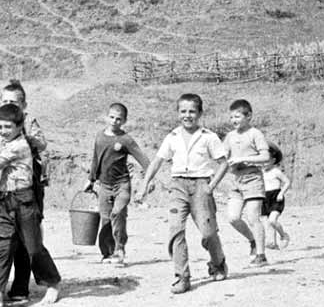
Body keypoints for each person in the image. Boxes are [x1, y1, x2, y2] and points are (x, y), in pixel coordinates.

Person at [0, 103, 61, 307]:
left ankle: (53, 282)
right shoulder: (7, 145)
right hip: (6, 202)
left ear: (19, 127)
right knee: (4, 246)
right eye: (0, 127)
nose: (3, 131)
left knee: (33, 247)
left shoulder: (20, 146)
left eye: (8, 127)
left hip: (23, 201)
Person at [139, 94, 229, 294]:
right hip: (178, 186)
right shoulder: (172, 137)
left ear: (199, 113)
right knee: (176, 230)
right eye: (183, 111)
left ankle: (218, 262)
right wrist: (145, 184)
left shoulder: (208, 136)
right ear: (177, 113)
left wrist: (210, 186)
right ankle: (182, 277)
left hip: (201, 186)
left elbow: (223, 163)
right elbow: (157, 161)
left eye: (192, 111)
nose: (187, 115)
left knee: (208, 232)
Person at [0, 80, 46, 302]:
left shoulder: (27, 122)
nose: (8, 105)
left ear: (23, 105)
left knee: (26, 239)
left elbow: (41, 144)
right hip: (0, 185)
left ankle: (21, 287)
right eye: (4, 101)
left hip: (26, 186)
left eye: (13, 102)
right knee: (1, 235)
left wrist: (23, 136)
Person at [84, 102, 150, 266]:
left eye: (119, 119)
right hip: (104, 185)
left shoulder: (125, 140)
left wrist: (150, 179)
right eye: (112, 117)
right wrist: (90, 180)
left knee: (118, 213)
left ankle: (120, 249)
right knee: (105, 219)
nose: (114, 121)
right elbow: (95, 160)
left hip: (122, 184)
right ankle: (107, 253)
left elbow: (143, 159)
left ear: (125, 121)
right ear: (107, 117)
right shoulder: (100, 137)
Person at [223, 99, 271, 267]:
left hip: (253, 180)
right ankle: (252, 240)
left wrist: (244, 159)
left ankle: (261, 254)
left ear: (248, 116)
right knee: (233, 218)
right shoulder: (230, 136)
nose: (234, 120)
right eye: (231, 117)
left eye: (237, 116)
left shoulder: (255, 134)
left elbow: (265, 157)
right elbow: (223, 158)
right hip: (236, 182)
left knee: (253, 217)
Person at [262, 144, 291, 250]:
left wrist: (281, 193)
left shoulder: (276, 172)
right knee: (267, 222)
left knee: (272, 220)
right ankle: (272, 243)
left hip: (275, 197)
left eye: (266, 161)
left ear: (273, 160)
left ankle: (283, 235)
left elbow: (287, 182)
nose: (264, 163)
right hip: (265, 198)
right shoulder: (262, 172)